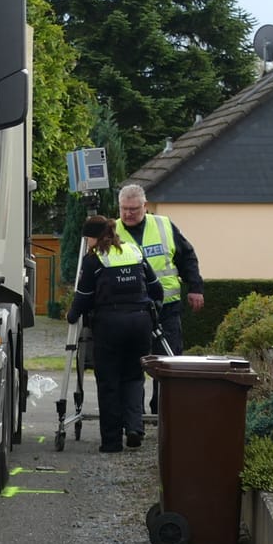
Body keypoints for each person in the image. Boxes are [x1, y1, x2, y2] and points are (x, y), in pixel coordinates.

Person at [67, 214, 165, 452]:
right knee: (134, 377)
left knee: (109, 381)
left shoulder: (94, 260)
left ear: (92, 237)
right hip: (140, 322)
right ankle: (134, 428)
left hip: (110, 324)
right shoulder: (133, 251)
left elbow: (85, 297)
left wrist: (72, 315)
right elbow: (156, 288)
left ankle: (111, 441)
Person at [115, 184, 203, 412]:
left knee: (167, 361)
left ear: (145, 206)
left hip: (166, 307)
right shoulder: (111, 231)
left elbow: (187, 257)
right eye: (124, 209)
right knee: (133, 363)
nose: (128, 214)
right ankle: (135, 416)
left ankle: (163, 411)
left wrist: (195, 287)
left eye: (133, 209)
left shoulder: (163, 225)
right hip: (130, 309)